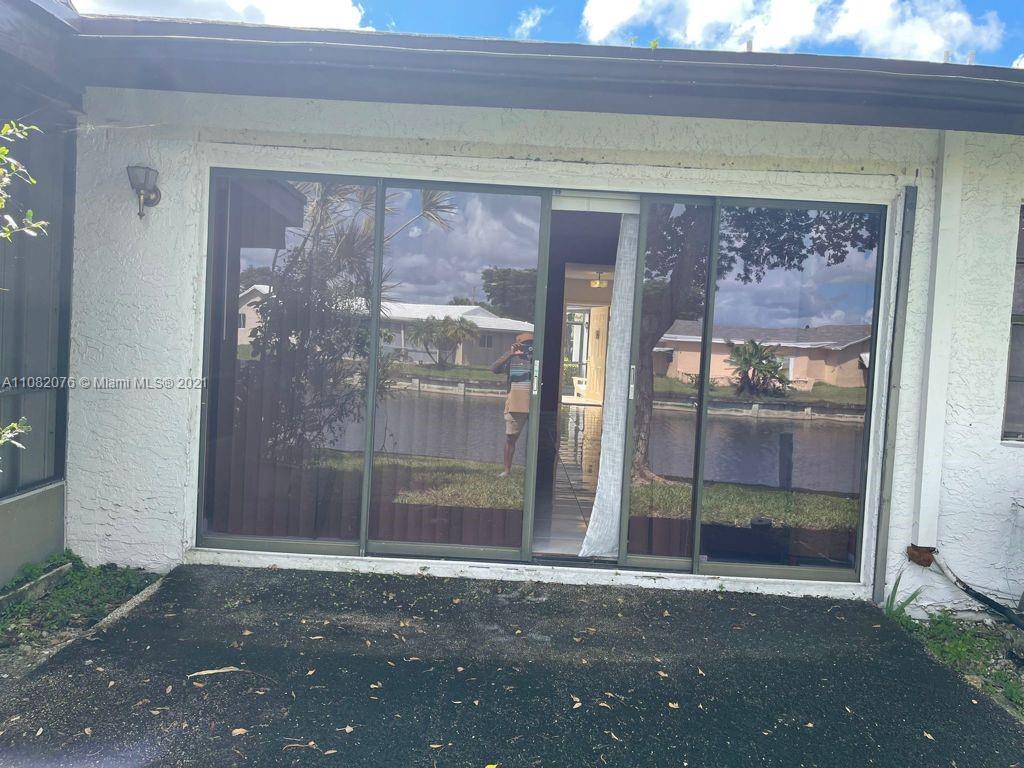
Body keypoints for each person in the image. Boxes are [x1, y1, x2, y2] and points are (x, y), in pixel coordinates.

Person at [491, 331, 534, 478]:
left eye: (531, 344)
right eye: (525, 344)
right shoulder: (511, 358)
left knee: (538, 440)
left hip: (535, 405)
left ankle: (535, 473)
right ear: (518, 344)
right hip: (515, 405)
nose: (528, 347)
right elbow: (494, 369)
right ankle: (507, 471)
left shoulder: (537, 360)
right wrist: (510, 354)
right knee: (510, 438)